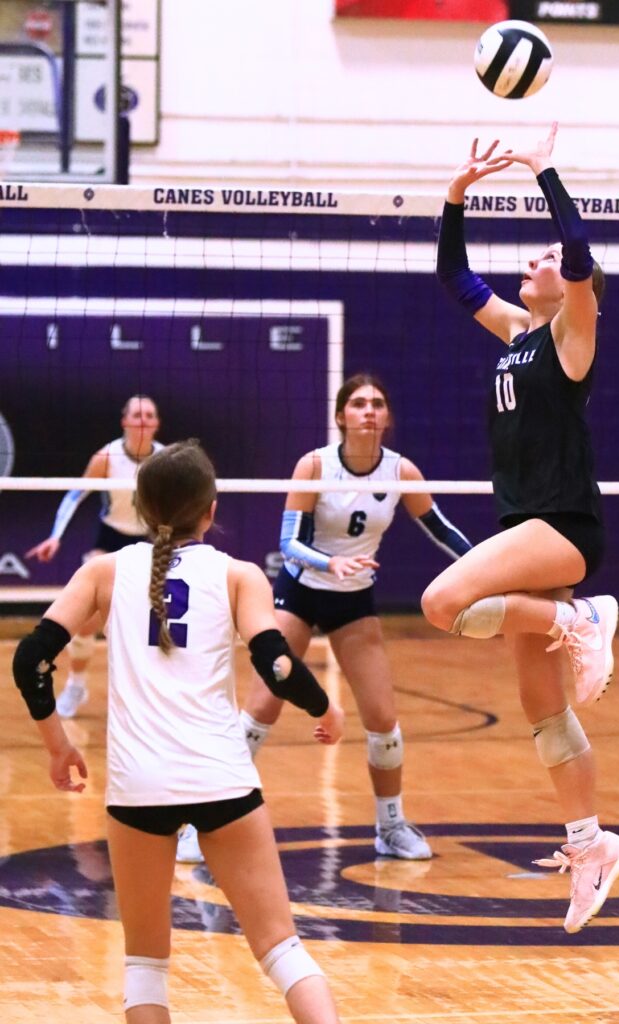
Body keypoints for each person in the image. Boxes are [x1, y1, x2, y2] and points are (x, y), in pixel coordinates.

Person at [13, 440, 344, 1024]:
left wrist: (58, 745)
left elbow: (30, 660)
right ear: (211, 509)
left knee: (145, 966)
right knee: (283, 951)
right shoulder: (239, 575)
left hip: (138, 789)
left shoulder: (103, 572)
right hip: (221, 779)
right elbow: (278, 665)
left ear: (140, 509)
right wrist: (325, 710)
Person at [420, 123, 619, 933]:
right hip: (527, 521)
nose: (539, 259)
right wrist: (454, 196)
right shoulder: (516, 333)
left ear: (577, 291)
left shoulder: (573, 334)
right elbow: (453, 275)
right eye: (539, 256)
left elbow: (578, 250)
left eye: (546, 259)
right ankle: (590, 844)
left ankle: (583, 616)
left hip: (563, 521)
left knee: (442, 602)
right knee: (546, 714)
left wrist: (546, 172)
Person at [199, 373, 471, 866]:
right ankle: (208, 819)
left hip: (354, 603)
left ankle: (390, 826)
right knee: (262, 706)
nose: (369, 410)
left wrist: (483, 567)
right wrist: (330, 563)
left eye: (378, 403)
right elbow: (288, 545)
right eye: (359, 403)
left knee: (383, 719)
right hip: (301, 592)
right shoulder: (315, 465)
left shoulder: (401, 471)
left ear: (387, 418)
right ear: (342, 415)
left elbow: (442, 529)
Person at [26, 394, 163, 719]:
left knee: (155, 621)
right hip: (111, 537)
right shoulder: (107, 456)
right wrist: (55, 536)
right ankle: (76, 684)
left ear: (157, 423)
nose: (143, 420)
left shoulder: (167, 458)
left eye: (149, 415)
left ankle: (153, 694)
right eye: (137, 415)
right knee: (86, 620)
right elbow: (75, 494)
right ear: (124, 421)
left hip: (152, 538)